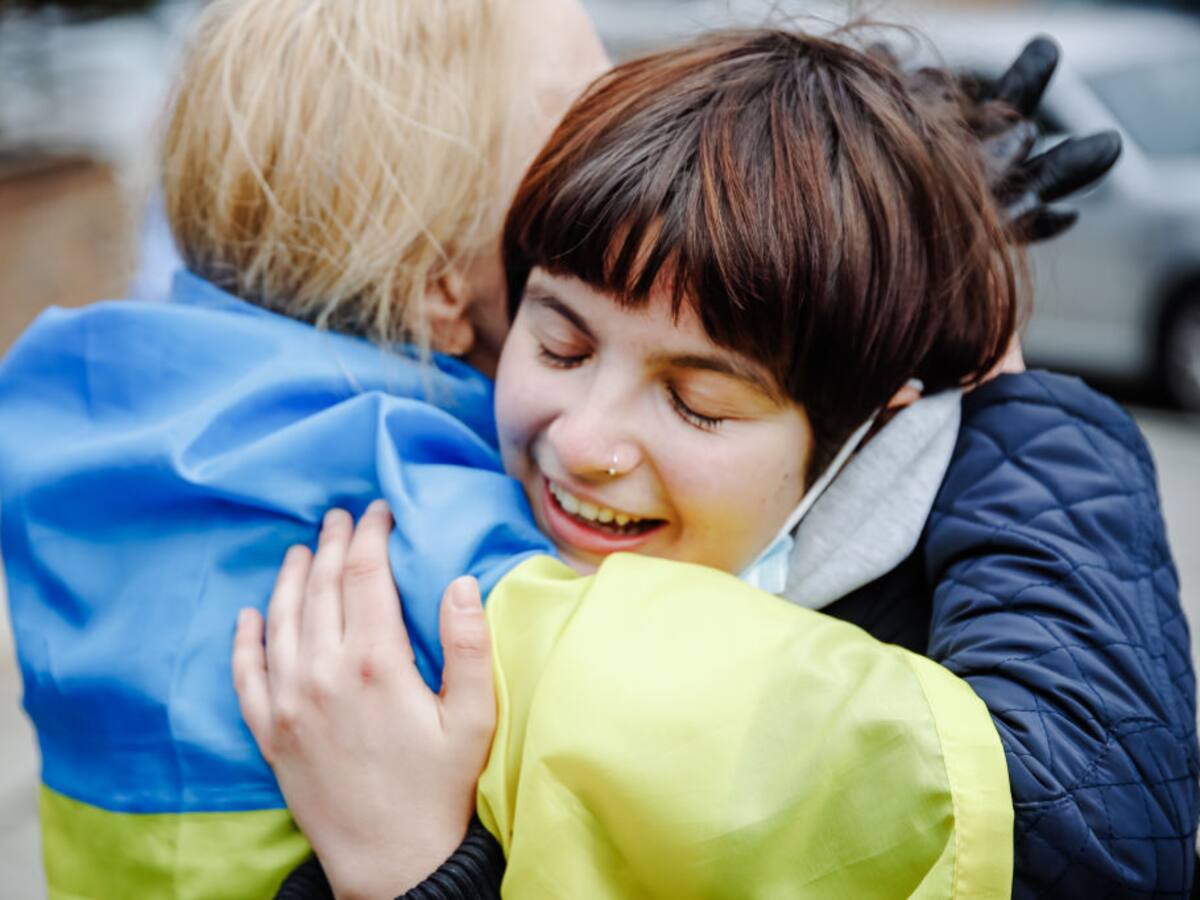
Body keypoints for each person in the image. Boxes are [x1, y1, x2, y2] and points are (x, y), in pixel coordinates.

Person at [236, 24, 1197, 900]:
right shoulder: (410, 564)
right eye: (561, 347)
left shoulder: (928, 656)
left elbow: (1096, 839)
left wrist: (417, 877)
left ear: (873, 413)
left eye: (698, 402)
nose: (582, 442)